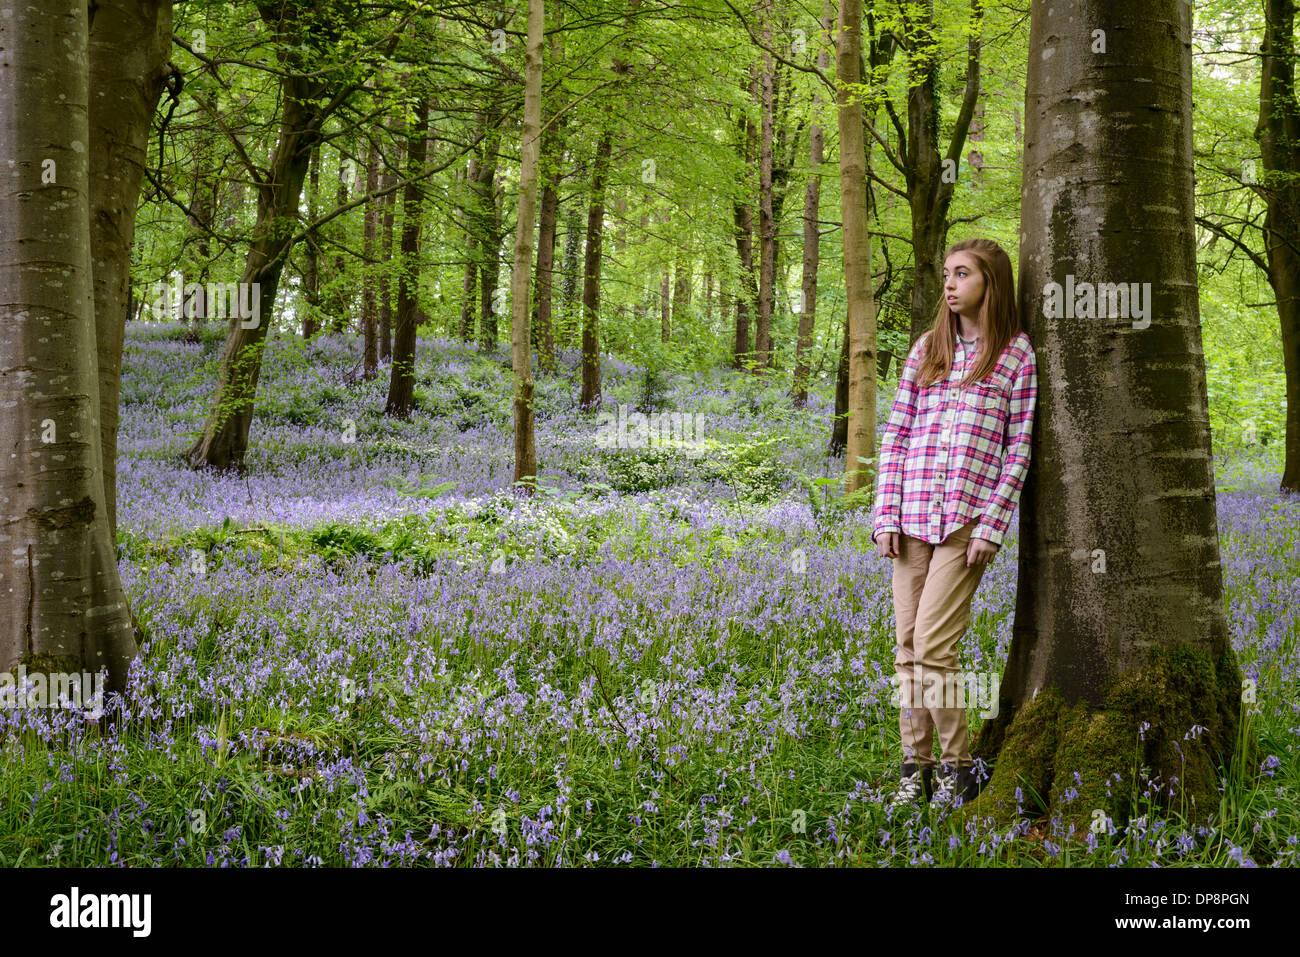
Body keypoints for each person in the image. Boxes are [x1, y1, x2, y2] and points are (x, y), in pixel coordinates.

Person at [870, 238, 1038, 808]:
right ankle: (912, 768)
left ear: (990, 283)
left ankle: (956, 768)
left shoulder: (1015, 355)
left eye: (962, 274)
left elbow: (1019, 450)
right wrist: (884, 513)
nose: (949, 284)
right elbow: (895, 435)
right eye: (946, 273)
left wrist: (993, 525)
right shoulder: (927, 349)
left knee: (935, 647)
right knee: (905, 647)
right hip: (911, 516)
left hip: (966, 522)